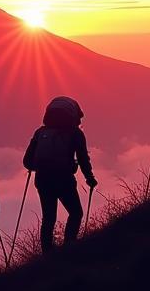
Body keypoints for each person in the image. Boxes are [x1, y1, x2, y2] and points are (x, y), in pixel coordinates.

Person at [23, 97, 97, 254]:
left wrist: (42, 166)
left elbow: (27, 162)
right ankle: (69, 247)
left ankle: (47, 254)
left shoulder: (40, 132)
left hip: (43, 180)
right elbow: (83, 158)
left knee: (48, 218)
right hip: (64, 179)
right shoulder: (75, 133)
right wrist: (89, 177)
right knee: (76, 213)